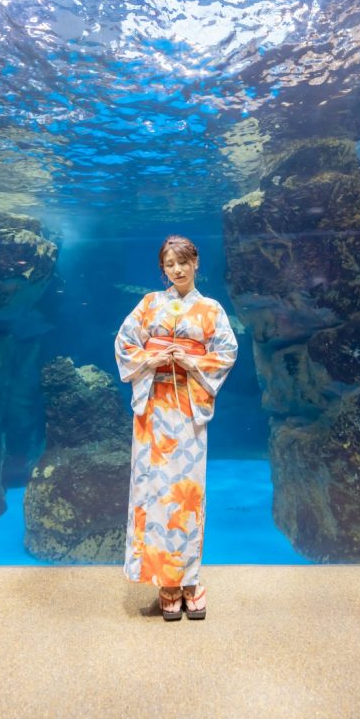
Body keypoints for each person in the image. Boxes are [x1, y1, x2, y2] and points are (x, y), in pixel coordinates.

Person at [114, 235, 238, 621]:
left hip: (187, 411)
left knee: (186, 498)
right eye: (170, 264)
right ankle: (167, 583)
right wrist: (154, 358)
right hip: (153, 412)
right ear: (162, 268)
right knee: (155, 495)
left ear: (196, 263)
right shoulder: (149, 304)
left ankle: (190, 581)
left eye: (184, 262)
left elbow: (226, 351)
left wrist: (189, 361)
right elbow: (124, 344)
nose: (178, 269)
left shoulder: (211, 309)